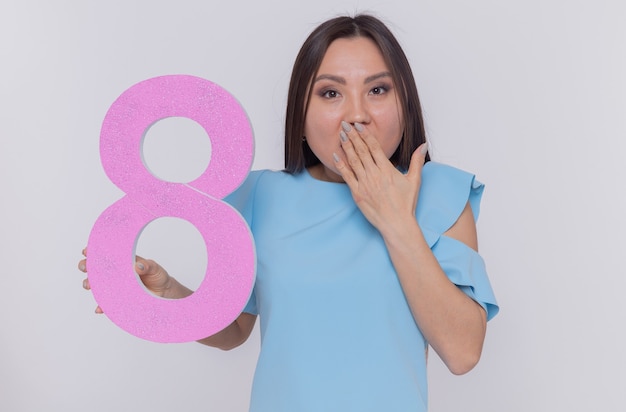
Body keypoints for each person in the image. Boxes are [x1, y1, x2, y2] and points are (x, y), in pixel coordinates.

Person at [78, 14, 498, 412]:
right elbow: (234, 331)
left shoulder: (439, 193)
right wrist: (169, 290)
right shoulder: (261, 196)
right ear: (299, 113)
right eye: (331, 92)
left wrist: (394, 219)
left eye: (378, 89)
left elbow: (463, 352)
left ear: (405, 105)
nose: (357, 115)